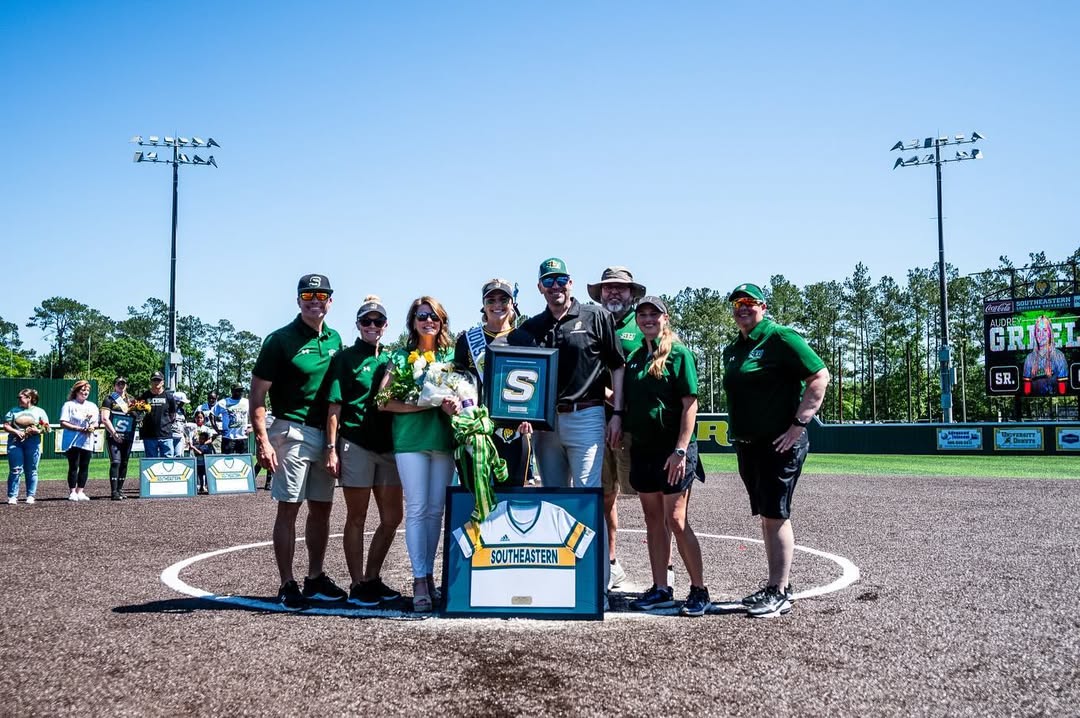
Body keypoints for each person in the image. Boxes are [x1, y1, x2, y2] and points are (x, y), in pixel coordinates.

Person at [722, 282, 830, 618]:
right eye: (737, 303)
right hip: (749, 444)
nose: (743, 307)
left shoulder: (780, 337)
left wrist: (799, 424)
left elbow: (819, 376)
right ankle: (776, 585)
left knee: (775, 513)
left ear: (763, 306)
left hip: (779, 442)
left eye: (749, 301)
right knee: (768, 515)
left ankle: (779, 591)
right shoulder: (734, 348)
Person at [251, 273, 346, 611]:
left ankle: (315, 577)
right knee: (289, 507)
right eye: (308, 295)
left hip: (325, 435)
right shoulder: (279, 340)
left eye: (321, 296)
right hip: (291, 430)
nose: (314, 301)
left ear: (330, 301)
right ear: (298, 300)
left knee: (322, 507)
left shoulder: (335, 338)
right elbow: (257, 396)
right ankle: (286, 582)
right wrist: (262, 440)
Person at [622, 297, 710, 617]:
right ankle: (661, 588)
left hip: (673, 450)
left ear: (665, 318)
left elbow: (690, 405)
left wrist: (681, 449)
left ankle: (699, 589)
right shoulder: (635, 358)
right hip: (644, 449)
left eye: (654, 314)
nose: (648, 319)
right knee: (653, 520)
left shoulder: (679, 354)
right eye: (642, 314)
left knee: (676, 519)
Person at [508, 258, 626, 488]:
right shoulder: (531, 327)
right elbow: (518, 372)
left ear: (570, 283)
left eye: (561, 280)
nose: (555, 286)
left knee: (587, 492)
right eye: (548, 281)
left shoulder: (596, 316)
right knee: (554, 495)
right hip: (545, 423)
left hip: (586, 416)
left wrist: (618, 414)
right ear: (540, 287)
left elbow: (617, 365)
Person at [377, 296, 459, 612]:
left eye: (434, 317)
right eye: (422, 316)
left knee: (436, 511)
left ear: (442, 322)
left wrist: (455, 404)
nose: (428, 321)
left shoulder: (452, 356)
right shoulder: (400, 357)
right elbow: (382, 401)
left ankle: (430, 576)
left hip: (443, 441)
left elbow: (466, 394)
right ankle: (419, 579)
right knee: (417, 508)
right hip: (411, 441)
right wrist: (420, 405)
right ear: (413, 321)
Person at [325, 296, 404, 607]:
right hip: (356, 442)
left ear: (386, 325)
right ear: (358, 324)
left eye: (378, 321)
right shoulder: (345, 358)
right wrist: (332, 449)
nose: (373, 326)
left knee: (392, 518)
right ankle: (357, 584)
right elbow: (334, 407)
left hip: (389, 447)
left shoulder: (395, 359)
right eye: (366, 321)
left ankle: (372, 577)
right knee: (357, 516)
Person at [587, 266, 647, 590]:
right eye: (608, 287)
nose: (613, 292)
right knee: (605, 495)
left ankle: (664, 570)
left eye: (620, 288)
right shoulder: (591, 322)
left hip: (636, 424)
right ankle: (611, 563)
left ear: (631, 294)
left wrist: (618, 405)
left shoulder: (643, 323)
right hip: (597, 421)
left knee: (650, 497)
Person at [453, 278, 528, 485]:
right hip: (476, 429)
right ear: (483, 306)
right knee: (474, 491)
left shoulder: (524, 339)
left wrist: (531, 416)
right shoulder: (467, 340)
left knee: (511, 493)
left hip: (513, 429)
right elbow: (456, 381)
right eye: (491, 300)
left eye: (503, 299)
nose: (497, 305)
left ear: (512, 303)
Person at [4, 388, 49, 505]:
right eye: (18, 398)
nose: (18, 399)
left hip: (33, 443)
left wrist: (38, 430)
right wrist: (16, 431)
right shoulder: (13, 411)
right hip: (15, 442)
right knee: (15, 470)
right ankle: (12, 496)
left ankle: (30, 495)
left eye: (21, 397)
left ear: (29, 398)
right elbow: (6, 425)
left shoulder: (40, 412)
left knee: (32, 470)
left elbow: (47, 428)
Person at [59, 380, 99, 502]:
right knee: (73, 466)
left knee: (84, 466)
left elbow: (96, 422)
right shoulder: (69, 405)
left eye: (87, 390)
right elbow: (63, 422)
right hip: (72, 440)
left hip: (87, 440)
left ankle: (80, 491)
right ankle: (72, 492)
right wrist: (78, 428)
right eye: (83, 390)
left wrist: (92, 427)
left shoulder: (92, 406)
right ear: (76, 391)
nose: (85, 392)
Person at [100, 376, 136, 500]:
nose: (121, 386)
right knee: (116, 462)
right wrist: (114, 433)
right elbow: (104, 418)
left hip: (128, 435)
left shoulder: (131, 400)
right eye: (119, 384)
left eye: (123, 384)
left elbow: (136, 416)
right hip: (113, 435)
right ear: (115, 385)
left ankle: (120, 490)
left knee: (124, 463)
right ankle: (114, 491)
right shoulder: (109, 399)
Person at [1022, 315, 1068, 396]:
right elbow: (1026, 391)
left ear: (1050, 333)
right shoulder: (1029, 358)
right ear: (1035, 334)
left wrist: (1050, 379)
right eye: (1038, 331)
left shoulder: (1059, 356)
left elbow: (1062, 391)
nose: (1041, 335)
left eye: (1045, 330)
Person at [139, 371, 178, 458]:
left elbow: (172, 415)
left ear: (163, 382)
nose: (156, 382)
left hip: (166, 436)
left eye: (159, 380)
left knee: (168, 462)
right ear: (151, 382)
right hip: (149, 436)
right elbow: (138, 411)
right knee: (151, 463)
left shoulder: (169, 396)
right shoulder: (144, 396)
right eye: (154, 380)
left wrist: (166, 425)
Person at [218, 384, 251, 454]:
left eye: (241, 390)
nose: (240, 392)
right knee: (226, 459)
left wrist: (252, 428)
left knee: (243, 459)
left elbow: (256, 415)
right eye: (238, 391)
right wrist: (217, 430)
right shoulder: (223, 402)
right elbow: (212, 415)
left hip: (242, 437)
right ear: (232, 391)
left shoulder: (247, 402)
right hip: (228, 438)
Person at [190, 418, 216, 495]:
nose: (200, 440)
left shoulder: (205, 446)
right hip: (199, 464)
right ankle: (201, 487)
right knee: (200, 476)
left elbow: (200, 452)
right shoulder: (199, 445)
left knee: (206, 476)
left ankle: (207, 486)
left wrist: (193, 447)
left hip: (204, 464)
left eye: (202, 439)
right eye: (200, 438)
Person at [171, 391, 190, 456]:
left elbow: (184, 424)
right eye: (182, 402)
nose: (183, 404)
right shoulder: (168, 410)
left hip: (180, 435)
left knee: (179, 455)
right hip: (170, 436)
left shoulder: (182, 410)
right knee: (169, 455)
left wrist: (186, 437)